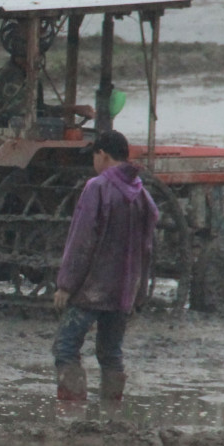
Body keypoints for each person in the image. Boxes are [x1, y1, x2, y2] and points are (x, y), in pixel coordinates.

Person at [52, 129, 156, 403]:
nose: (93, 162)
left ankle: (72, 414)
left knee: (65, 347)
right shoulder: (142, 195)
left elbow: (81, 240)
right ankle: (112, 416)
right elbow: (146, 248)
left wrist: (65, 284)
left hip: (92, 288)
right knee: (111, 354)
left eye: (95, 156)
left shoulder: (96, 188)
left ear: (104, 155)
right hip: (123, 291)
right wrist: (138, 292)